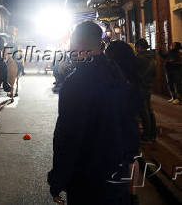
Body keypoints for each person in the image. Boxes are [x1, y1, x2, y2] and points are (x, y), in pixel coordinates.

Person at [48, 21, 136, 205]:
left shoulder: (75, 83)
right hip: (117, 176)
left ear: (78, 46)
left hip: (87, 180)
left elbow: (67, 138)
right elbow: (129, 124)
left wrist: (58, 180)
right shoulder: (117, 74)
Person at [105, 40, 143, 205]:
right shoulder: (134, 79)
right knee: (131, 159)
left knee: (119, 162)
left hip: (115, 128)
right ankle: (132, 194)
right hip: (131, 126)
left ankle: (124, 194)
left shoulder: (111, 78)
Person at [135, 39, 157, 141]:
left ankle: (147, 134)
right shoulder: (152, 57)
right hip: (148, 85)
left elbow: (134, 73)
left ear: (139, 47)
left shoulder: (139, 58)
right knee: (149, 110)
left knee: (144, 112)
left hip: (140, 86)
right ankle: (152, 133)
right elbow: (154, 74)